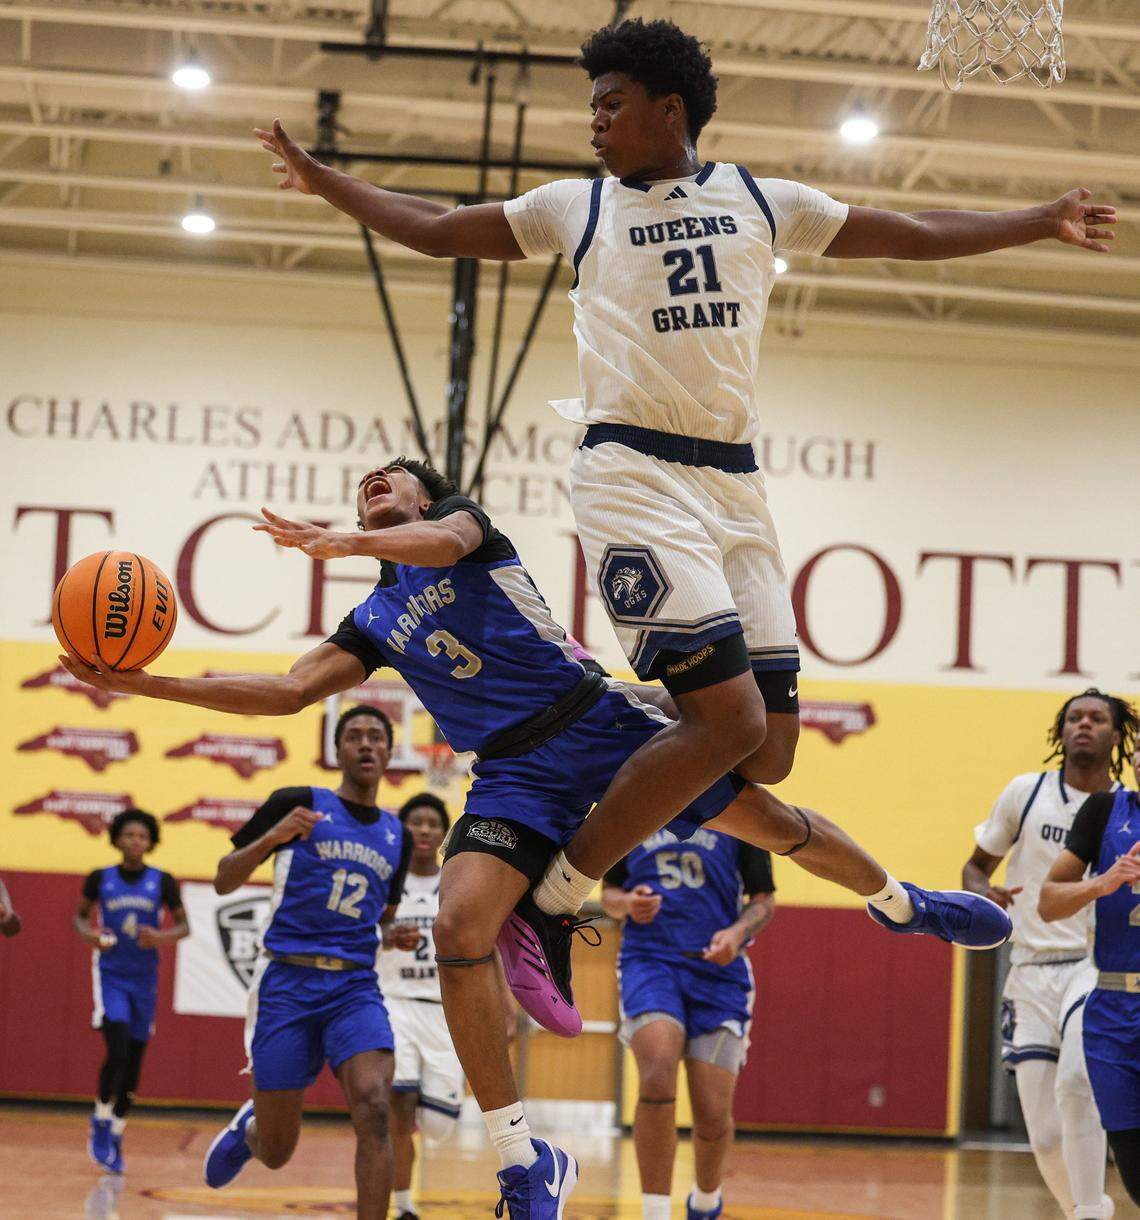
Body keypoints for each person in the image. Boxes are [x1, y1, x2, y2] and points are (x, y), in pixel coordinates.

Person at [252, 16, 1116, 928]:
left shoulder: (760, 197)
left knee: (768, 750)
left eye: (610, 104)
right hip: (631, 471)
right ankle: (561, 891)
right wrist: (321, 180)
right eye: (590, 105)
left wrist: (1037, 218)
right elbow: (432, 227)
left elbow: (906, 229)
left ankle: (611, 734)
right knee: (731, 726)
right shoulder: (575, 207)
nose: (593, 121)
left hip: (734, 487)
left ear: (671, 111)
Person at [60, 459, 1009, 1219]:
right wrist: (148, 687)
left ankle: (902, 902)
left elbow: (436, 536)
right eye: (360, 494)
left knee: (772, 823)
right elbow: (285, 691)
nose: (370, 493)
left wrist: (351, 536)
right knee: (460, 929)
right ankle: (525, 1157)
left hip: (593, 724)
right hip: (511, 772)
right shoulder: (376, 617)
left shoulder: (467, 531)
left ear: (425, 497)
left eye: (385, 485)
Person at [200, 705, 417, 1220]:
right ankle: (250, 1130)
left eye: (376, 737)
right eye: (354, 736)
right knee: (277, 1154)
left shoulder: (397, 836)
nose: (366, 744)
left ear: (389, 752)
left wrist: (394, 935)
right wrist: (274, 838)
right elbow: (224, 879)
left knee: (375, 1107)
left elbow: (380, 921)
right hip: (288, 983)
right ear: (337, 750)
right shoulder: (297, 802)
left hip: (354, 989)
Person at [962, 689, 1137, 1220]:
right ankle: (1087, 1210)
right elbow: (975, 866)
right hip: (1029, 969)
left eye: (1097, 718)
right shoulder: (1026, 792)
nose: (1083, 725)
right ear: (1060, 731)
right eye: (1074, 718)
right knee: (1043, 1137)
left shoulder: (1125, 807)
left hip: (1091, 966)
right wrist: (981, 892)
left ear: (1117, 737)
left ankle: (1088, 1208)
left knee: (1077, 1084)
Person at [603, 827, 774, 1220]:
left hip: (719, 973)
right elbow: (608, 894)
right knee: (657, 1076)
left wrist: (737, 932)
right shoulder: (634, 802)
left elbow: (763, 901)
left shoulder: (739, 811)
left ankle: (705, 1200)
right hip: (650, 963)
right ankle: (655, 1212)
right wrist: (628, 902)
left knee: (712, 1114)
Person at [1040, 731, 1140, 1211]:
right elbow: (1048, 901)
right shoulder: (1103, 811)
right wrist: (1104, 882)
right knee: (1134, 1175)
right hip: (1114, 1006)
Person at [73, 808, 189, 1174]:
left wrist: (161, 936)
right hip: (111, 975)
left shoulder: (163, 881)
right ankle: (101, 1119)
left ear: (151, 842)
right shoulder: (99, 878)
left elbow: (184, 927)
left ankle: (118, 1131)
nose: (135, 841)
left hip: (144, 979)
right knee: (118, 1047)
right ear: (117, 839)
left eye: (142, 836)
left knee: (136, 1059)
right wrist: (91, 935)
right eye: (129, 835)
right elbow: (79, 917)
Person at [379, 792, 461, 1220]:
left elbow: (486, 943)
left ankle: (441, 1104)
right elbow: (358, 936)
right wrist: (387, 938)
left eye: (432, 823)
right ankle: (404, 1205)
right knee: (398, 1106)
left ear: (444, 831)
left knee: (439, 1126)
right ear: (404, 830)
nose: (424, 830)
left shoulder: (457, 878)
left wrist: (503, 1006)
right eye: (416, 822)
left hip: (443, 1010)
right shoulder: (385, 879)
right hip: (393, 1003)